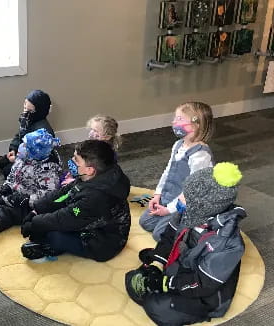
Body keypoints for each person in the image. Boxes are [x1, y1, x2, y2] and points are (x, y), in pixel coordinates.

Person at [125, 163, 245, 326]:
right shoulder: (188, 213)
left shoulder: (228, 244)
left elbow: (204, 283)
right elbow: (168, 237)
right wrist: (157, 263)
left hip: (205, 290)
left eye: (185, 198)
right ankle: (162, 276)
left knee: (156, 307)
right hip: (185, 266)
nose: (179, 200)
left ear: (203, 206)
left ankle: (200, 312)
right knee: (139, 275)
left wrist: (166, 283)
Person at [19, 140, 131, 262]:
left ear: (89, 170)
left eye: (76, 160)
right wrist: (37, 209)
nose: (71, 160)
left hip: (104, 242)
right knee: (50, 215)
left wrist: (35, 223)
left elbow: (64, 219)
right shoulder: (93, 176)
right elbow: (64, 194)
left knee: (53, 235)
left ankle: (51, 247)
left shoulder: (95, 196)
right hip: (90, 217)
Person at [140, 102, 214, 241]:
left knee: (160, 235)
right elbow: (168, 171)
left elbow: (193, 191)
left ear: (196, 124)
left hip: (187, 203)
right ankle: (172, 219)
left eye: (180, 119)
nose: (174, 122)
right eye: (175, 118)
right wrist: (158, 194)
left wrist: (169, 210)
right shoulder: (178, 144)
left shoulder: (200, 155)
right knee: (145, 222)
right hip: (170, 196)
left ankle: (193, 226)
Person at [0, 90, 55, 179]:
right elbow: (19, 135)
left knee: (7, 171)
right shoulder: (27, 121)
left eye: (29, 110)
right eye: (25, 106)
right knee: (2, 163)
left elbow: (37, 156)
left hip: (35, 162)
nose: (25, 112)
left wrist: (17, 159)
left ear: (38, 112)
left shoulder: (44, 133)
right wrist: (13, 149)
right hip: (22, 152)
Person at [61, 115, 121, 186]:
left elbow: (94, 178)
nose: (91, 133)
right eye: (91, 129)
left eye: (95, 131)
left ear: (107, 137)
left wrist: (74, 182)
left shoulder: (102, 155)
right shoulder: (95, 147)